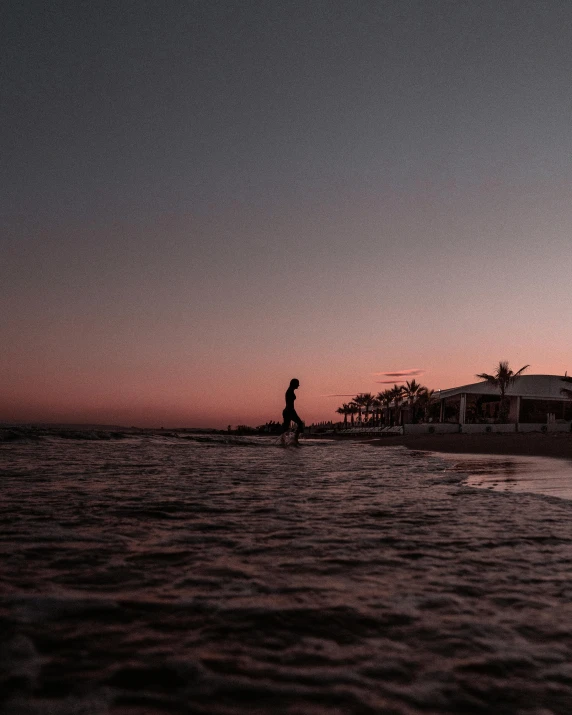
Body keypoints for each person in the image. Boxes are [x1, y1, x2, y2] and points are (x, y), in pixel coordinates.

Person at [281, 378, 304, 445]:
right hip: (289, 410)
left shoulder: (290, 390)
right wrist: (292, 412)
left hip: (287, 411)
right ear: (294, 384)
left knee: (285, 428)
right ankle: (295, 440)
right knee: (300, 424)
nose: (298, 385)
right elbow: (290, 404)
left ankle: (283, 442)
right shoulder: (290, 391)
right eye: (297, 384)